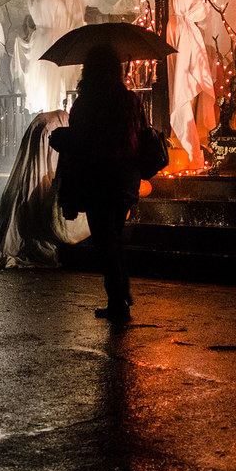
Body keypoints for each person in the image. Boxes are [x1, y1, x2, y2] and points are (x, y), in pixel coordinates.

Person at [52, 45, 145, 322]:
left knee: (105, 239)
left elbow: (82, 139)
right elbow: (139, 133)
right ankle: (119, 294)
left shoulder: (88, 102)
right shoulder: (129, 101)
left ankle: (118, 298)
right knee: (112, 235)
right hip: (126, 178)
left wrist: (62, 137)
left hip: (99, 177)